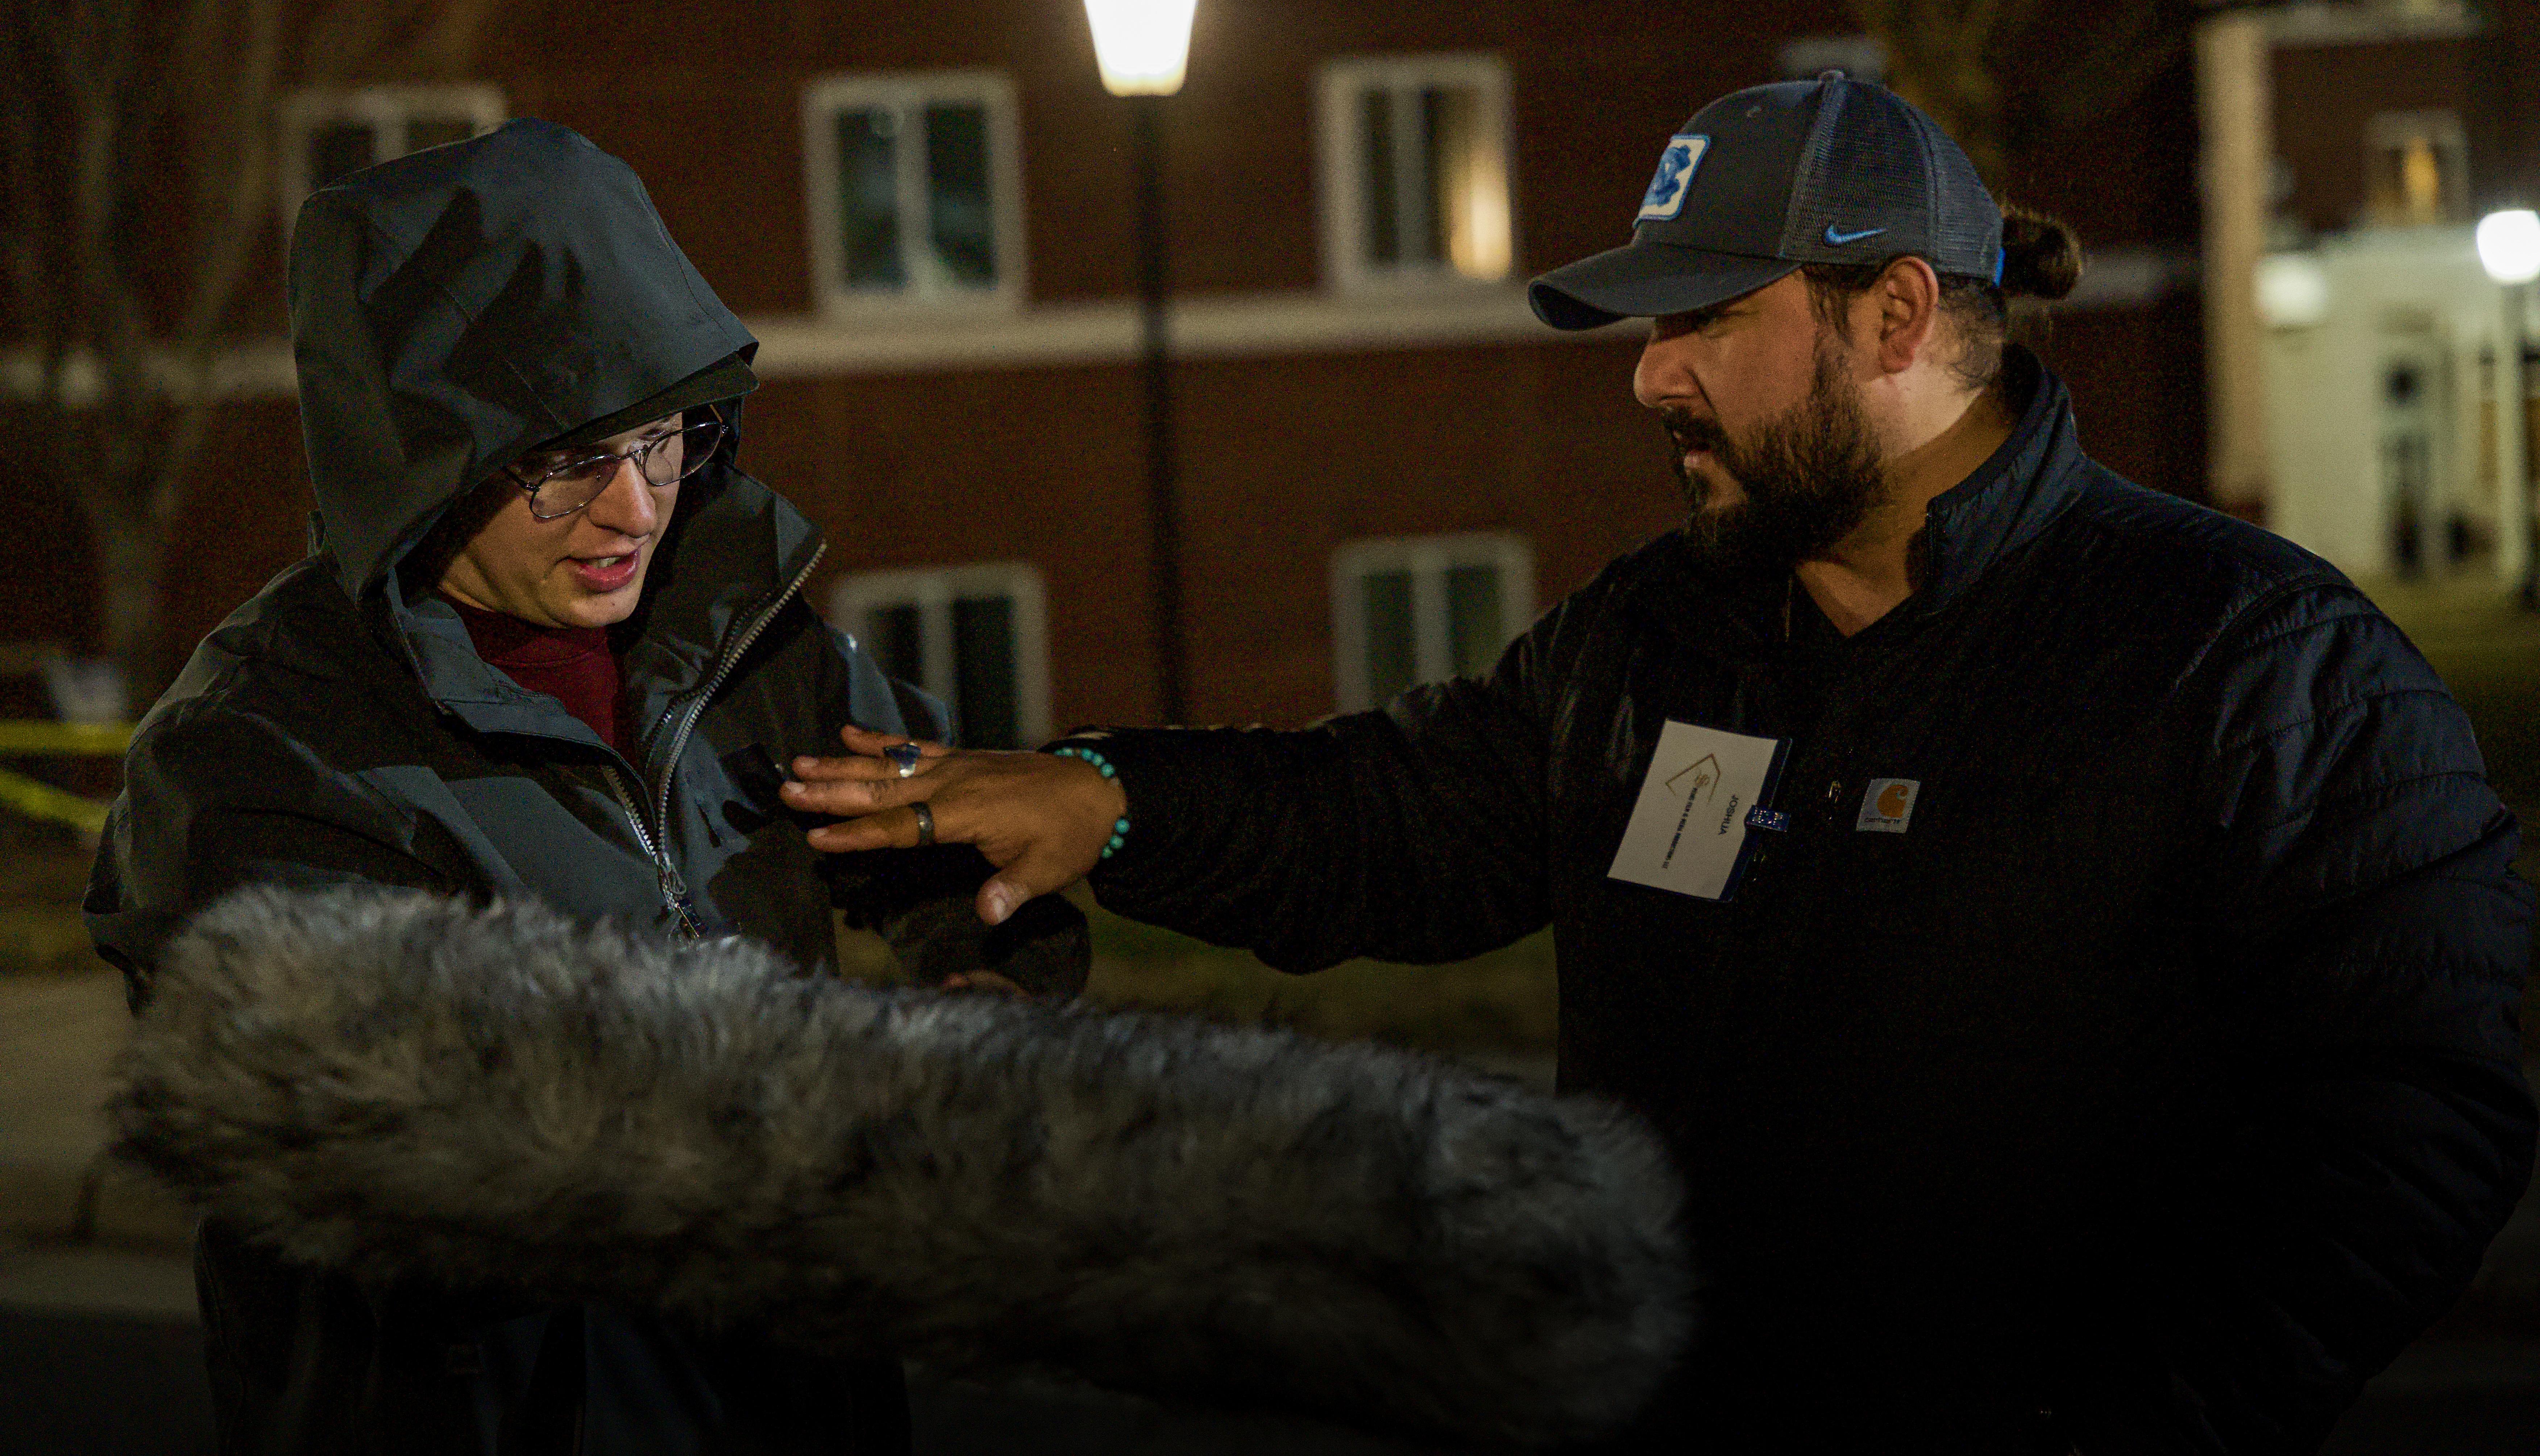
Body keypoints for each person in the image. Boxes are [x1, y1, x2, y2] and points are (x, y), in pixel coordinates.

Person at [780, 73, 2538, 1453]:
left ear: (1899, 316)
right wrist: (1114, 795)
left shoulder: (2247, 658)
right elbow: (1403, 817)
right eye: (1648, 330)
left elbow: (2419, 1103)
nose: (1653, 382)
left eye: (1705, 324)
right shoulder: (1664, 633)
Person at [84, 117, 1083, 1455]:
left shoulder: (737, 644)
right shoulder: (256, 757)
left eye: (668, 438)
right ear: (421, 452)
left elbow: (948, 838)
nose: (636, 511)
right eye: (567, 464)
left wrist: (990, 974)